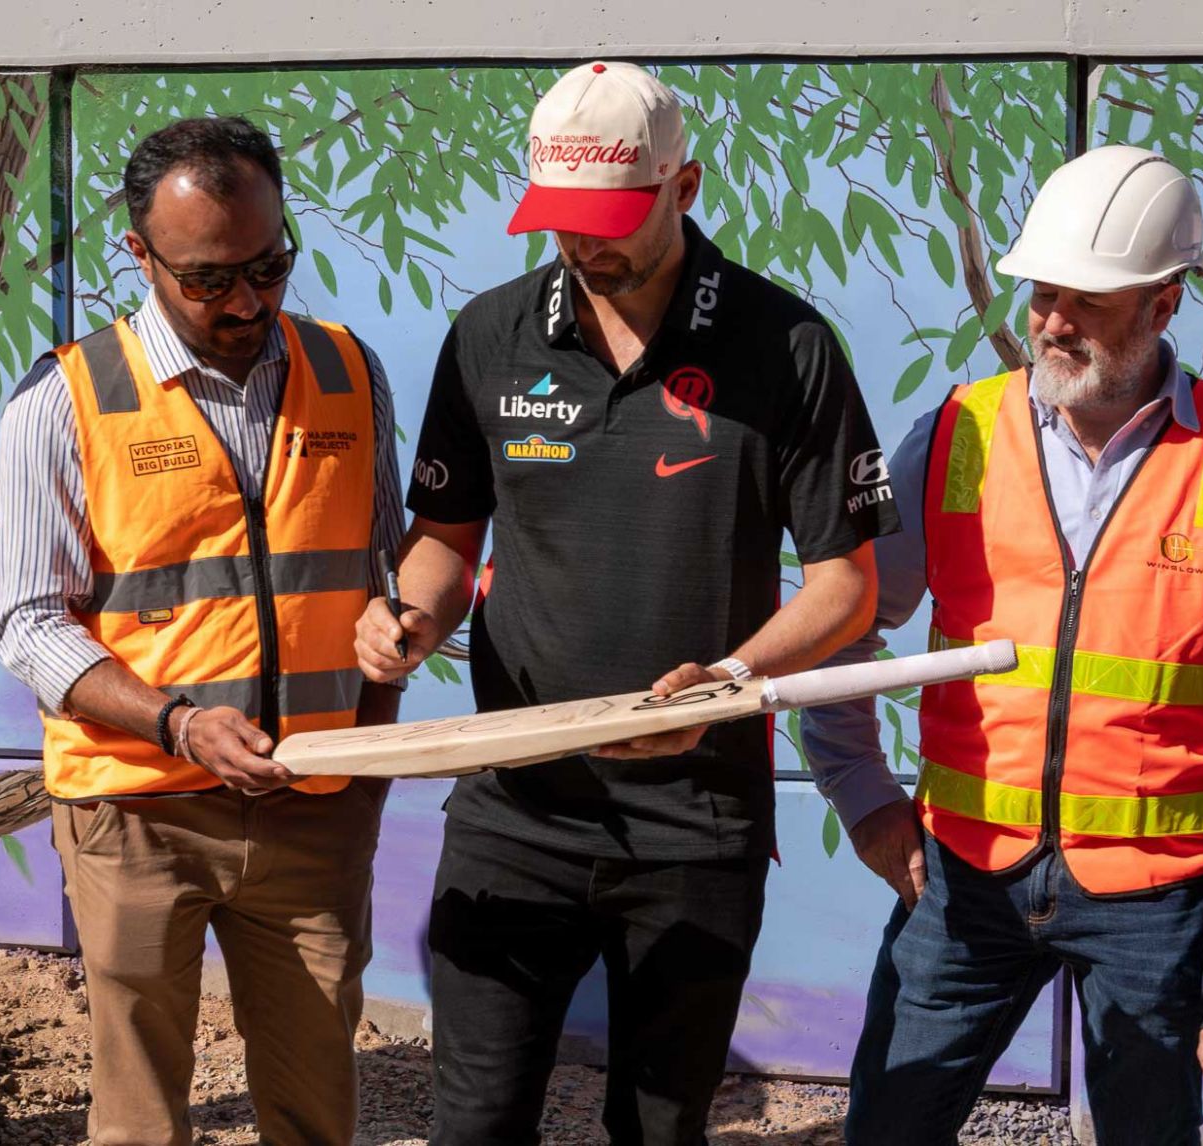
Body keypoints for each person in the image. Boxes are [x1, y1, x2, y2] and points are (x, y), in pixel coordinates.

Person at [356, 60, 898, 1145]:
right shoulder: (489, 334)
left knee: (657, 1128)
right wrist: (409, 616)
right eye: (561, 221)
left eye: (608, 219)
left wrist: (733, 681)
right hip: (513, 804)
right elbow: (446, 547)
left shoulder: (785, 348)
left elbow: (847, 588)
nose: (583, 245)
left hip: (696, 819)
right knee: (471, 1123)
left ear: (683, 187)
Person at [0, 115, 404, 1146]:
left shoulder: (349, 372)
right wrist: (176, 724)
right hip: (136, 813)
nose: (248, 302)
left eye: (269, 268)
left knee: (315, 1105)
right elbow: (30, 625)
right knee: (140, 1114)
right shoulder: (66, 399)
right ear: (140, 255)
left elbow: (384, 579)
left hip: (315, 804)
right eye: (210, 280)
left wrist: (370, 761)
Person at [799, 144, 1203, 1146]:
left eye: (1087, 301)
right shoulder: (958, 434)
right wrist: (863, 801)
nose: (1052, 322)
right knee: (889, 1127)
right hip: (962, 878)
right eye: (1040, 294)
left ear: (1163, 305)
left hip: (1160, 896)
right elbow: (839, 622)